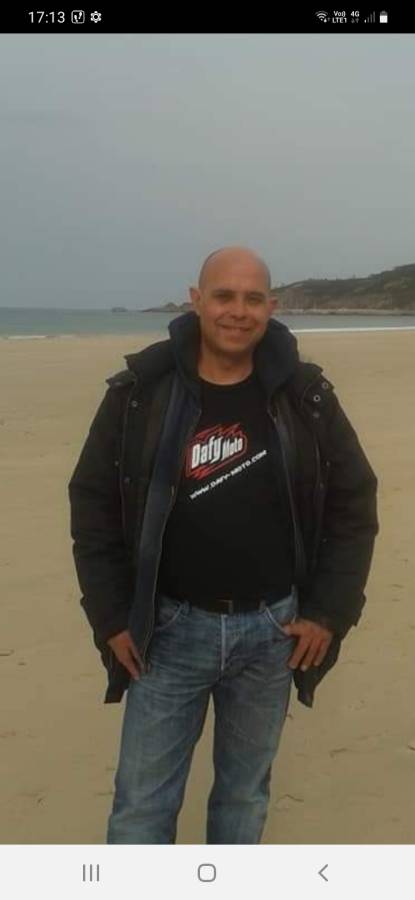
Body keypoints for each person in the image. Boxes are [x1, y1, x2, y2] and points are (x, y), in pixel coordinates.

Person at [68, 246, 379, 844]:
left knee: (243, 799)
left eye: (253, 298)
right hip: (165, 634)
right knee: (140, 809)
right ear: (196, 300)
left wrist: (329, 612)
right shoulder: (140, 393)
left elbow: (353, 503)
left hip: (273, 635)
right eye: (224, 296)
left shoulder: (305, 396)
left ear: (272, 307)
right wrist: (110, 615)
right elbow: (93, 504)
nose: (238, 311)